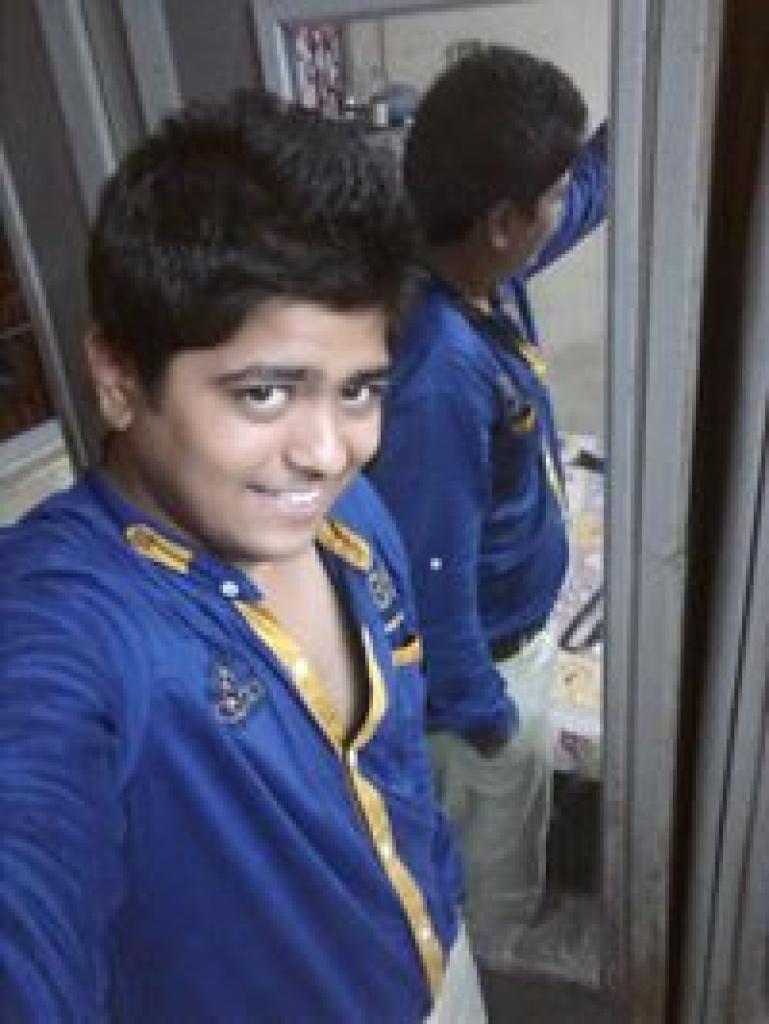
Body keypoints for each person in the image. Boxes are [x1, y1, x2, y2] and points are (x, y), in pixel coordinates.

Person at [0, 91, 487, 1023]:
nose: (328, 452)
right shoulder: (65, 619)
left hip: (438, 959)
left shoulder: (351, 518)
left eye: (358, 390)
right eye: (264, 393)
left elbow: (398, 770)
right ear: (117, 378)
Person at [368, 46, 608, 965]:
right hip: (484, 682)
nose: (564, 207)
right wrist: (489, 722)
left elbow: (584, 197)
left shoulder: (468, 264)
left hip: (508, 645)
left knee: (501, 848)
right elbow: (431, 577)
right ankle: (492, 978)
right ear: (505, 221)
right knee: (491, 877)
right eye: (551, 195)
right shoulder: (437, 371)